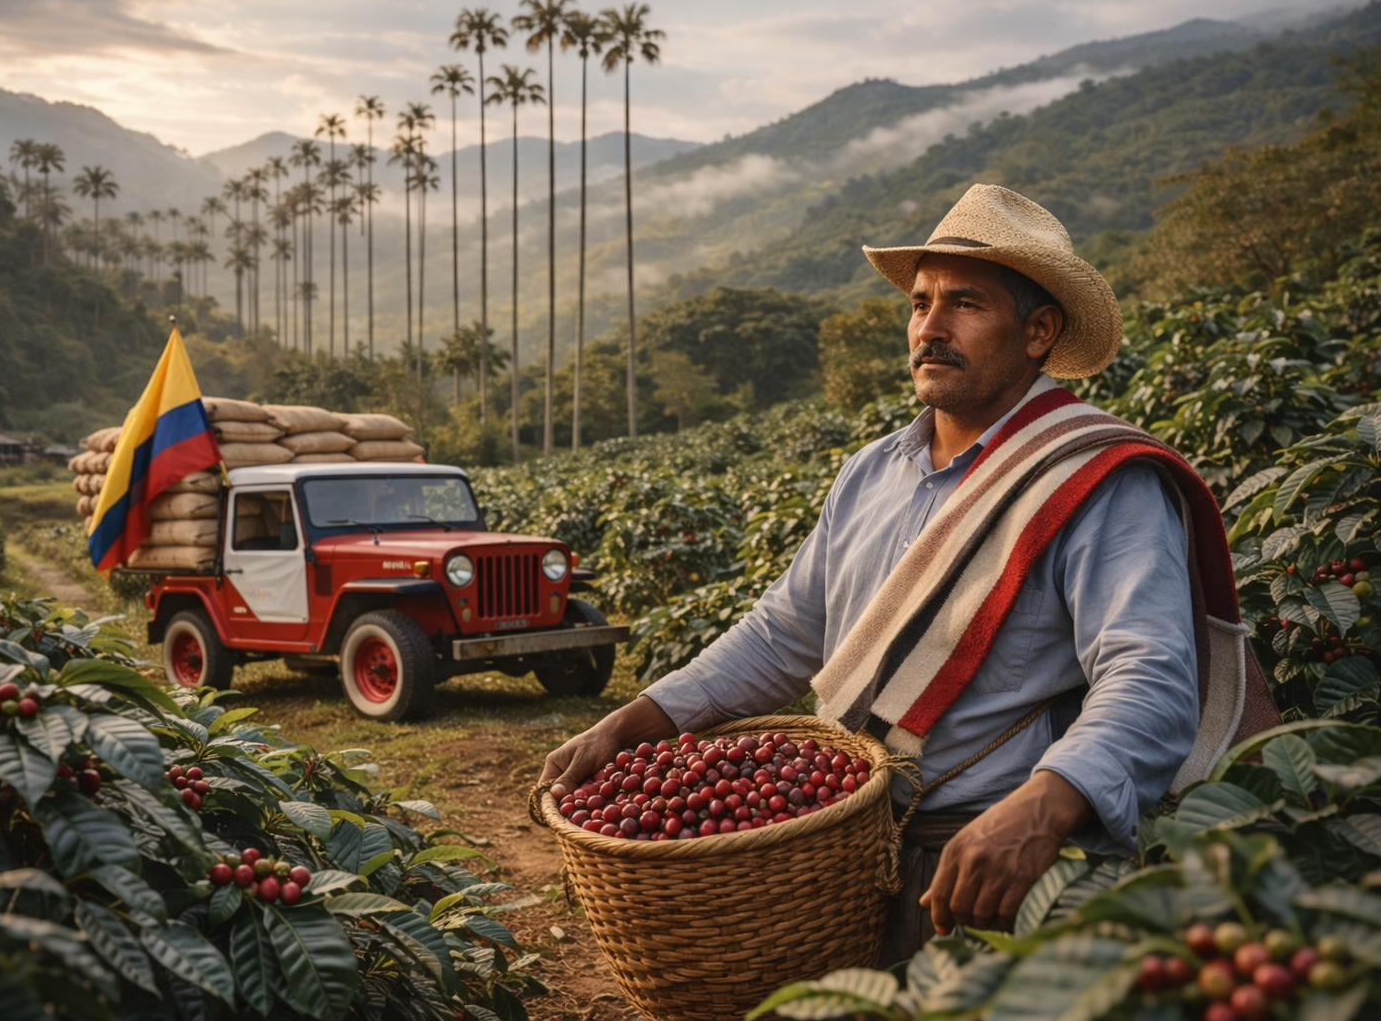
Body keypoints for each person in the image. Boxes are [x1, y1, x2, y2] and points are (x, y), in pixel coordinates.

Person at [538, 184, 1272, 965]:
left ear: (1040, 331)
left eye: (966, 303)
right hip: (840, 853)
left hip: (1003, 865)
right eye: (920, 303)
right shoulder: (871, 473)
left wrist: (1045, 808)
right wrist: (639, 718)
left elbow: (1149, 672)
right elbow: (787, 631)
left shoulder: (1099, 481)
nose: (931, 326)